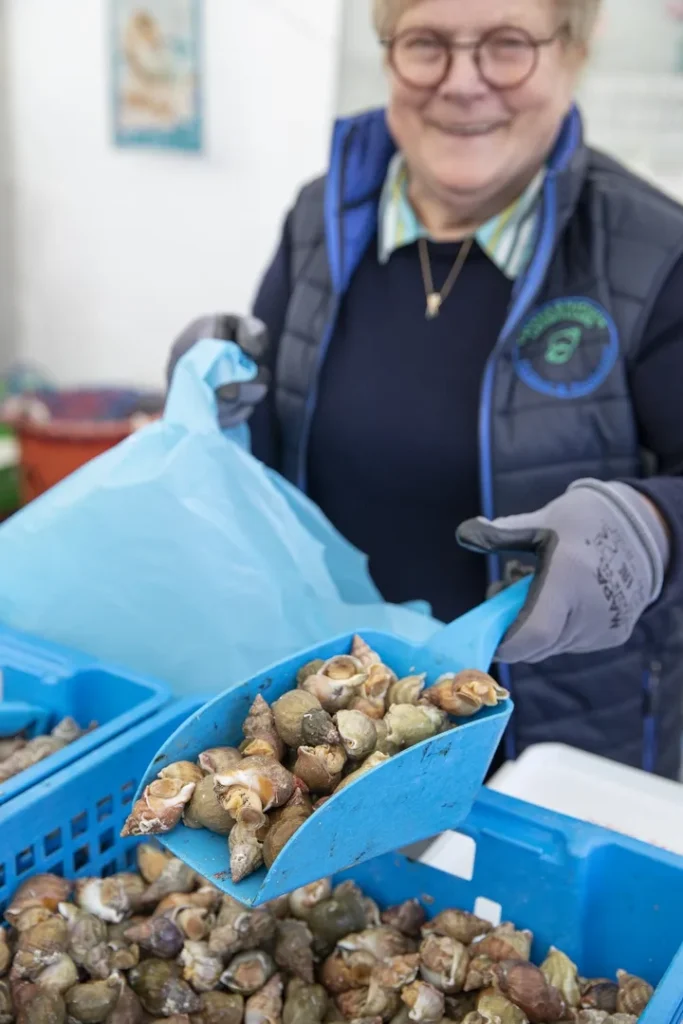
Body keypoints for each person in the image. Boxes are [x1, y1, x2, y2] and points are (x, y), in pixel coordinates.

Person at [168, 0, 683, 780]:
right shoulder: (320, 219)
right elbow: (284, 457)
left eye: (507, 45)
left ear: (572, 52)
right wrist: (230, 406)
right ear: (386, 53)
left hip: (544, 760)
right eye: (426, 44)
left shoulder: (653, 255)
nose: (462, 83)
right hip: (335, 740)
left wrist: (651, 524)